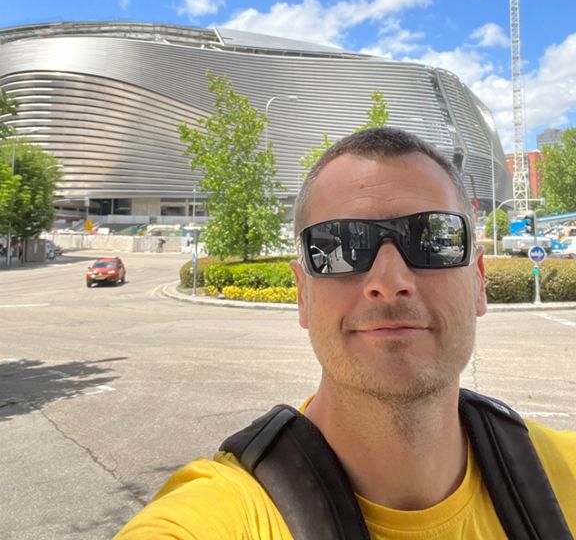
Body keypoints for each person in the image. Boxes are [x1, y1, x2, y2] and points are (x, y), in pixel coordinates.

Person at [115, 127, 576, 538]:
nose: (389, 280)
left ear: (479, 281)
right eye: (340, 247)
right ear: (303, 296)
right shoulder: (221, 515)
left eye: (433, 239)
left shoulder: (565, 475)